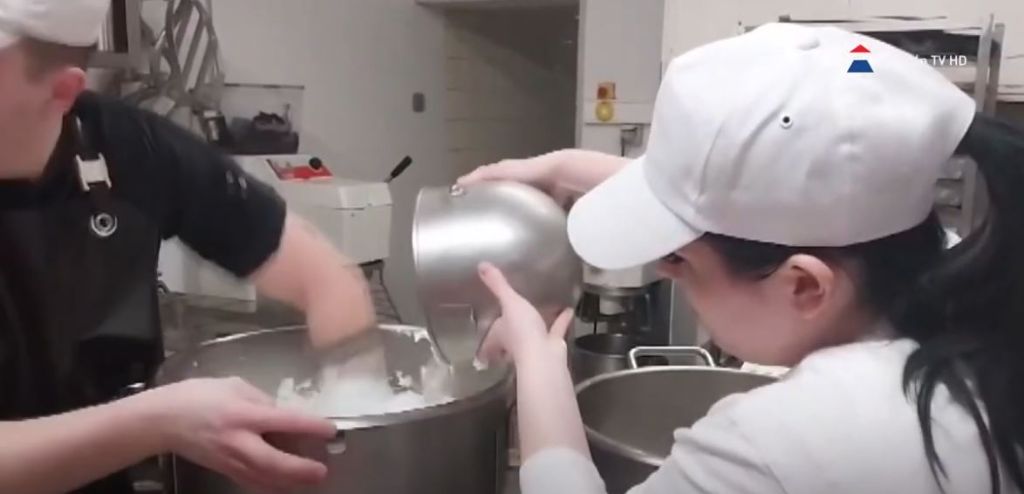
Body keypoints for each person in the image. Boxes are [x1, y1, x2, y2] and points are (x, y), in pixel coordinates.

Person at [461, 23, 1024, 494]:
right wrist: (564, 168)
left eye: (681, 260)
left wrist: (537, 364)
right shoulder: (964, 294)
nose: (663, 267)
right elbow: (751, 207)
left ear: (804, 286)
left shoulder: (781, 445)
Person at [0, 0, 377, 492]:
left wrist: (353, 409)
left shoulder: (128, 148)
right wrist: (157, 422)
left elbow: (326, 279)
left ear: (64, 90)